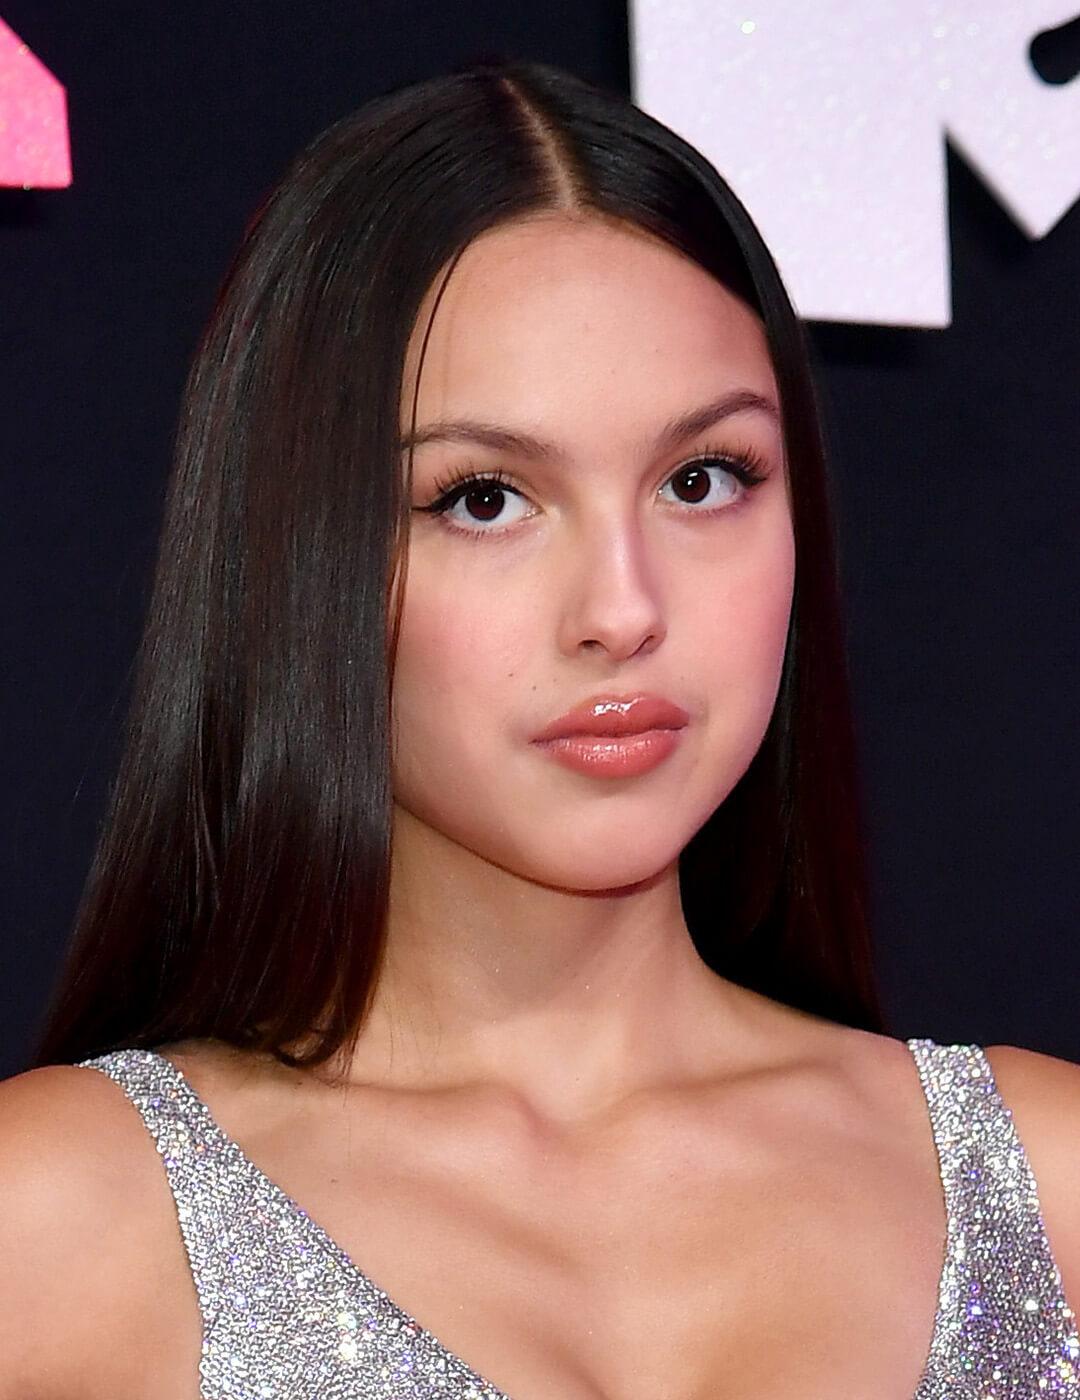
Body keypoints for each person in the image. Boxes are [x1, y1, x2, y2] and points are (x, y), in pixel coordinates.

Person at [1, 57, 1078, 1400]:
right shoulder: (52, 1226)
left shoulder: (1051, 1193)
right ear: (295, 551)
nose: (623, 610)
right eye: (484, 500)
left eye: (703, 479)